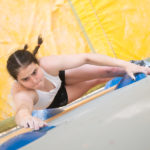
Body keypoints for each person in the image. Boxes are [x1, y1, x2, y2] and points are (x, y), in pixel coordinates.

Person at [7, 36, 150, 130]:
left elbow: (86, 58)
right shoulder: (22, 92)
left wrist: (125, 65)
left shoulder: (47, 64)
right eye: (25, 79)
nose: (34, 80)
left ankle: (140, 65)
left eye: (34, 72)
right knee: (97, 80)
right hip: (57, 98)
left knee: (108, 70)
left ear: (38, 64)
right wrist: (25, 118)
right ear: (18, 81)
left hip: (58, 77)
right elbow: (22, 109)